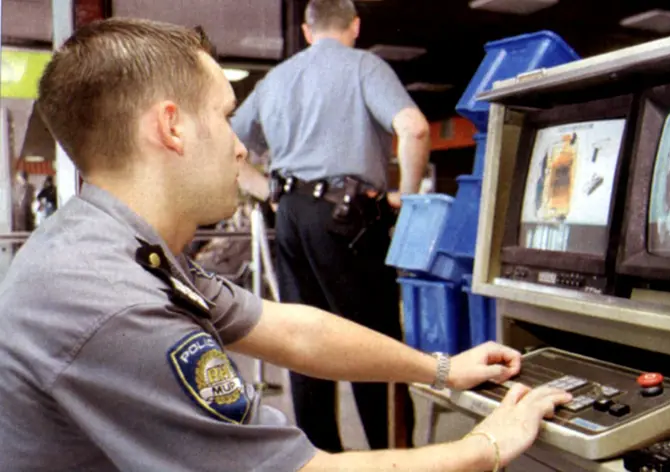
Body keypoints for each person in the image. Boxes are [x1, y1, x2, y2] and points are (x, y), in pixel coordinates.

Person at [0, 17, 573, 471]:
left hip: (297, 216)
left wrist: (440, 369)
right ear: (172, 128)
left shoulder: (116, 245)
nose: (241, 147)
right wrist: (489, 447)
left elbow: (293, 329)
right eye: (224, 117)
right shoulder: (117, 303)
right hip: (349, 217)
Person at [230, 0, 432, 453]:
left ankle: (320, 459)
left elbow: (231, 146)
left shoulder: (275, 79)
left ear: (305, 30)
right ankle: (394, 458)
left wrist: (271, 194)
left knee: (305, 343)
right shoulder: (365, 66)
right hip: (351, 220)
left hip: (292, 219)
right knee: (376, 343)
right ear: (355, 26)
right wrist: (410, 199)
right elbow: (414, 129)